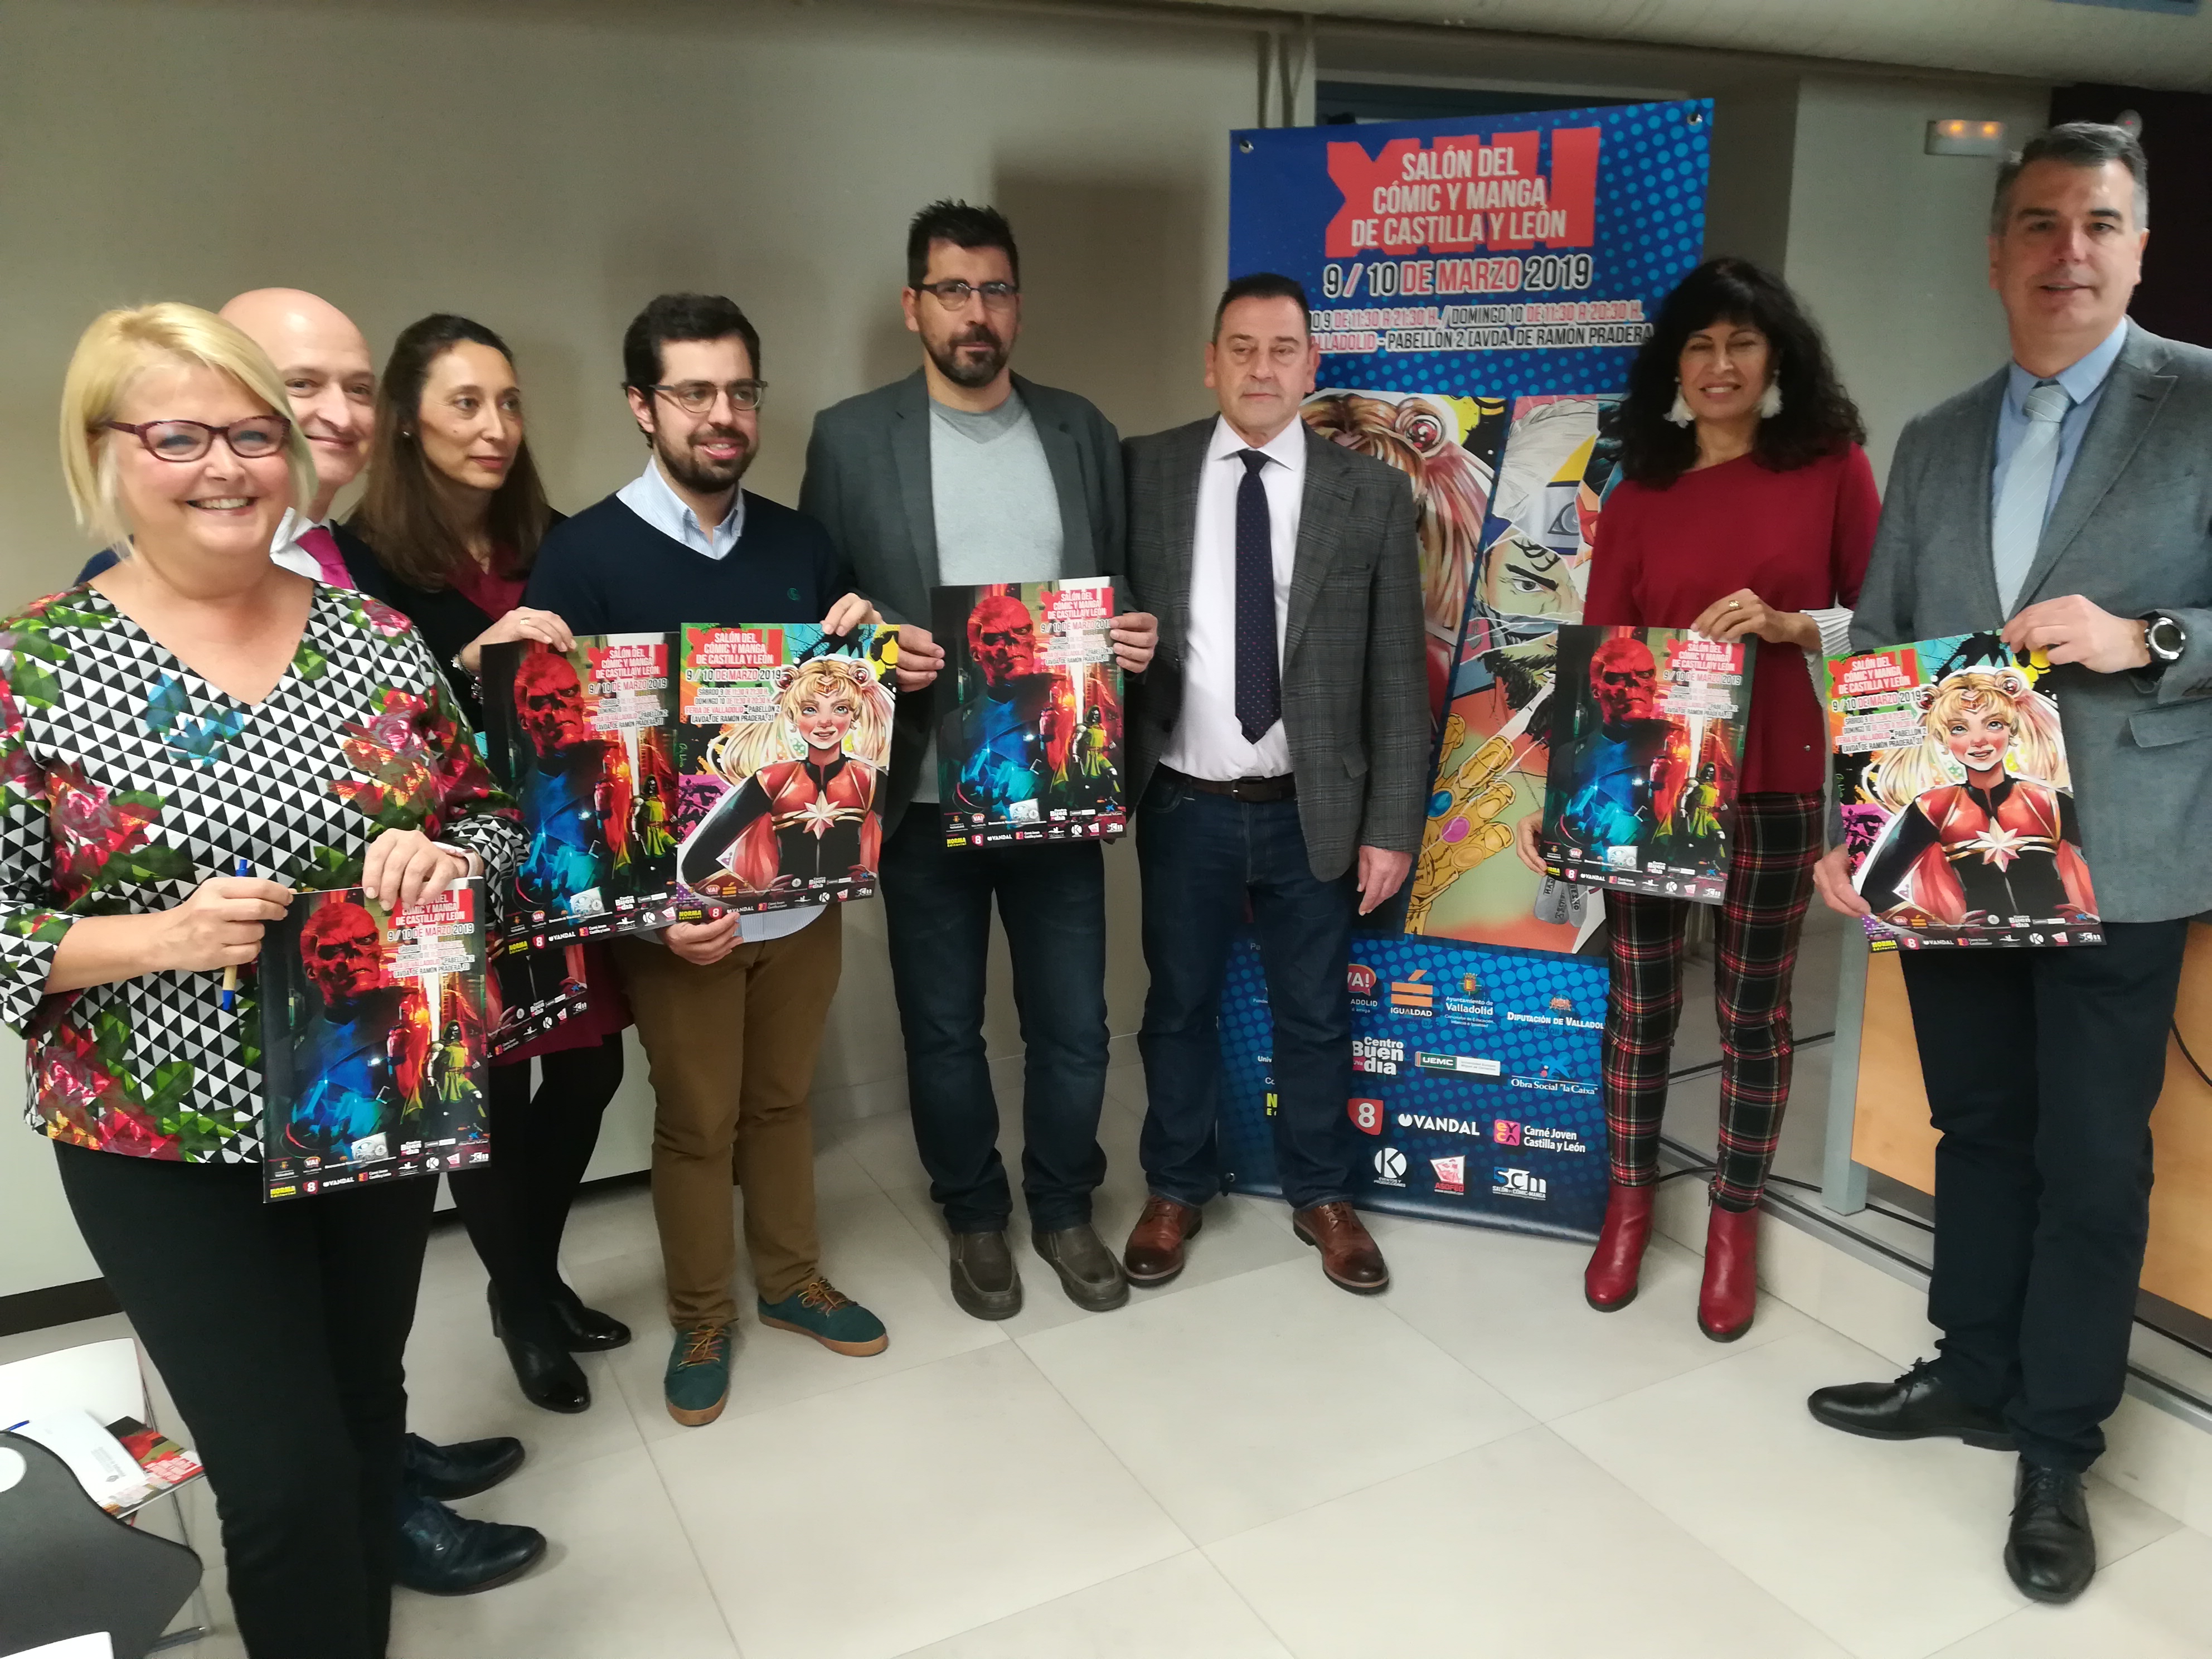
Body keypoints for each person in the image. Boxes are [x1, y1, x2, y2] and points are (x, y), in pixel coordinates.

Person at [12, 303, 528, 1658]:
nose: (225, 467)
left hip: (369, 1098)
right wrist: (153, 939)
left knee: (362, 1418)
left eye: (252, 434)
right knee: (282, 1480)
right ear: (104, 449)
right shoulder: (33, 671)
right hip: (160, 1137)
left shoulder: (374, 641)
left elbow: (491, 819)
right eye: (178, 436)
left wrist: (446, 857)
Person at [1806, 123, 2212, 1605]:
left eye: (2099, 223)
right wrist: (1865, 832)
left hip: (2129, 852)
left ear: (2140, 247)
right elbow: (1886, 643)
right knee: (1976, 1126)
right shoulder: (1935, 435)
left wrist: (2142, 636)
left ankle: (2056, 1446)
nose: (2069, 252)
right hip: (1957, 851)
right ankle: (1972, 1369)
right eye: (2040, 224)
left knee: (2093, 1161)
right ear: (1996, 255)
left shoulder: (2202, 401)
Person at [525, 292, 893, 1428]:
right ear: (643, 406)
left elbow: (842, 713)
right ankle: (701, 1316)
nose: (721, 414)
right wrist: (650, 917)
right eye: (693, 392)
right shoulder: (582, 557)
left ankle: (789, 1281)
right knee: (696, 1126)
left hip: (802, 904)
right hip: (677, 921)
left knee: (781, 1105)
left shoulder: (800, 544)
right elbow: (566, 773)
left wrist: (873, 648)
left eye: (740, 391)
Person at [800, 202, 1157, 1320]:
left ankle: (1062, 1206)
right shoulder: (850, 438)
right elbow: (817, 613)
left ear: (1017, 304)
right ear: (913, 305)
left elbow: (1112, 584)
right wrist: (871, 646)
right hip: (919, 794)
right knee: (943, 1027)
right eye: (953, 290)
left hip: (1055, 787)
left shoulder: (1079, 431)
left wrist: (1131, 635)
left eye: (994, 290)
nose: (976, 312)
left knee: (1073, 1023)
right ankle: (970, 1212)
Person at [1510, 256, 1877, 1340]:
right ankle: (1627, 1208)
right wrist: (1560, 794)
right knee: (1640, 1008)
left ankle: (1731, 1222)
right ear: (1674, 365)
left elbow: (1882, 619)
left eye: (1742, 344)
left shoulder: (1830, 469)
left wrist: (1792, 625)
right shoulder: (1641, 492)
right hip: (1648, 787)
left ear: (1776, 358)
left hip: (1773, 787)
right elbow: (1605, 653)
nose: (1720, 365)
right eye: (1700, 346)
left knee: (1754, 1015)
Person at [344, 313, 636, 1436]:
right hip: (442, 867)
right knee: (487, 1095)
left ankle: (533, 1272)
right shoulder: (359, 563)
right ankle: (521, 1302)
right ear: (405, 422)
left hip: (559, 853)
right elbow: (366, 729)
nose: (495, 426)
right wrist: (464, 670)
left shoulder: (555, 543)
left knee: (590, 1068)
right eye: (465, 403)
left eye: (508, 402)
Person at [1118, 272, 1424, 1294]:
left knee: (1315, 1014)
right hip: (1182, 801)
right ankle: (1174, 1186)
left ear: (1311, 365)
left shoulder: (1369, 493)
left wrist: (1392, 826)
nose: (1261, 367)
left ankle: (1322, 1194)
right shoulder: (1144, 470)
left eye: (1282, 349)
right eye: (1240, 348)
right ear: (1210, 363)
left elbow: (1397, 676)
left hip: (1313, 807)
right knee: (1177, 1007)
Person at [77, 288, 373, 586]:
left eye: (359, 389)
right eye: (301, 384)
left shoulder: (373, 566)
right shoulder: (113, 587)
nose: (342, 418)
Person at [1852, 665, 2095, 929]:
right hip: (1981, 946)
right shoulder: (1933, 808)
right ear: (1943, 740)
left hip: (2064, 939)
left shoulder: (2049, 802)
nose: (1978, 740)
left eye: (1994, 724)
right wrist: (1945, 932)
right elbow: (1873, 892)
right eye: (1959, 728)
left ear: (2011, 730)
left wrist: (2087, 919)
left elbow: (2118, 865)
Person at [677, 654, 892, 897]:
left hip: (843, 907)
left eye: (840, 709)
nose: (825, 722)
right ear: (792, 716)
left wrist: (869, 877)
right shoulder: (772, 781)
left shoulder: (868, 779)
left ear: (854, 715)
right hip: (780, 909)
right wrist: (757, 898)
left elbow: (908, 847)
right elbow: (695, 865)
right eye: (810, 710)